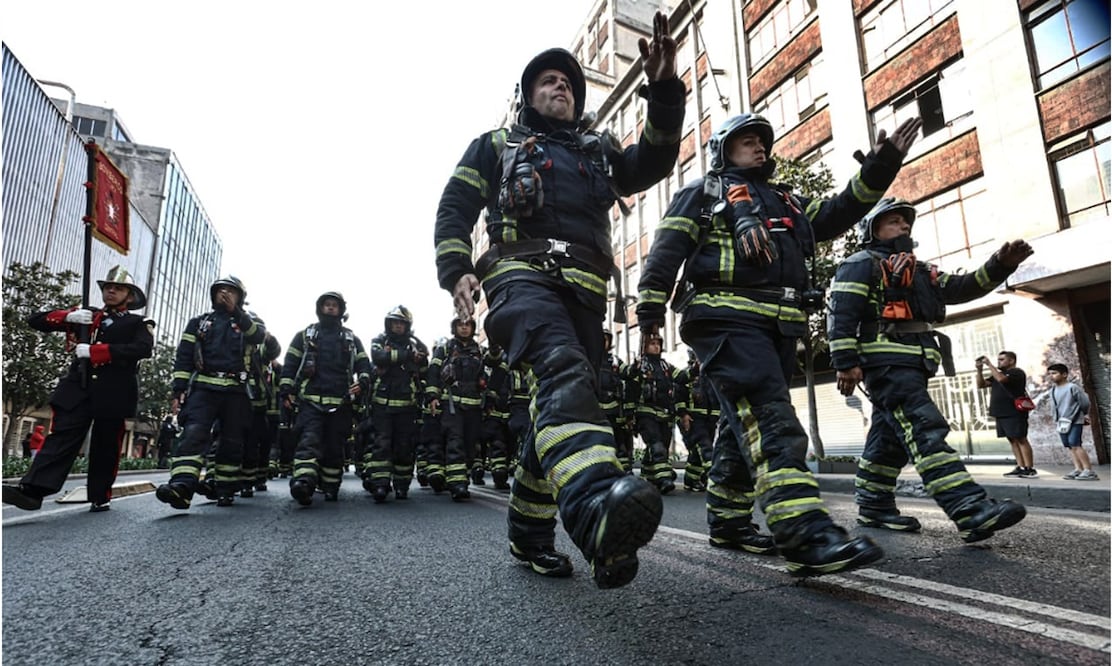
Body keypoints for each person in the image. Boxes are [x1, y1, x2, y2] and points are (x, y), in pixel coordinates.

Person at [433, 11, 683, 588]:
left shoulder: (598, 149)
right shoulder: (495, 144)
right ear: (527, 97)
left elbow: (654, 161)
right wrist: (456, 271)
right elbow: (454, 208)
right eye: (548, 81)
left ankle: (528, 532)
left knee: (562, 403)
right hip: (521, 280)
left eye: (568, 82)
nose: (561, 86)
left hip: (587, 293)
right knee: (564, 373)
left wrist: (666, 90)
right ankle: (595, 512)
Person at [637, 112, 923, 576]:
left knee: (739, 427)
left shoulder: (787, 200)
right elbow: (665, 252)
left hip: (779, 325)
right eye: (747, 141)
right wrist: (649, 312)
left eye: (762, 142)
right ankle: (804, 532)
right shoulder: (703, 194)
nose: (759, 148)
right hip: (724, 319)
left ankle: (729, 522)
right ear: (723, 151)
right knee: (773, 419)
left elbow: (837, 213)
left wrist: (882, 164)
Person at [828, 197, 1032, 541]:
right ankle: (969, 508)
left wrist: (1000, 265)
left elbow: (964, 287)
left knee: (888, 439)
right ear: (872, 230)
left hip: (915, 363)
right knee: (925, 428)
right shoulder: (859, 264)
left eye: (906, 222)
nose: (904, 226)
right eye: (894, 221)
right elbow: (842, 315)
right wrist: (845, 363)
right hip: (885, 364)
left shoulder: (923, 271)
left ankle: (874, 505)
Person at [3, 267, 154, 513]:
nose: (111, 291)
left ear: (130, 296)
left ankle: (100, 494)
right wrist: (67, 317)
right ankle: (33, 490)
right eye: (107, 287)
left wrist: (96, 352)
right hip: (80, 387)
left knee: (106, 446)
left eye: (118, 288)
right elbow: (36, 320)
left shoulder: (138, 323)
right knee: (61, 436)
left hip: (114, 390)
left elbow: (142, 349)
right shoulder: (88, 316)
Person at [156, 276, 266, 510]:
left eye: (230, 291)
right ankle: (181, 487)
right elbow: (184, 357)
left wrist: (236, 312)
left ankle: (224, 489)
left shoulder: (249, 321)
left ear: (240, 297)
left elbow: (258, 336)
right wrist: (178, 390)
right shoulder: (199, 323)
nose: (224, 294)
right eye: (220, 291)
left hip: (237, 390)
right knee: (193, 434)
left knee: (231, 440)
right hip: (204, 389)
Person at [279, 292, 372, 505]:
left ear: (341, 310)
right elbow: (291, 364)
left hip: (340, 402)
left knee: (334, 446)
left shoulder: (351, 338)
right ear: (319, 308)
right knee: (308, 441)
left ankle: (331, 485)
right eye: (326, 305)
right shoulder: (305, 336)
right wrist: (286, 390)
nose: (330, 308)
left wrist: (364, 381)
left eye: (334, 305)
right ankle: (303, 482)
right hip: (310, 401)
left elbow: (363, 364)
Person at [364, 305, 428, 502]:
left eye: (401, 323)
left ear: (407, 325)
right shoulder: (379, 340)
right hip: (382, 404)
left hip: (407, 405)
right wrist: (407, 357)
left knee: (404, 446)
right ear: (388, 324)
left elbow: (424, 366)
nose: (397, 326)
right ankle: (381, 485)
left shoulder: (416, 344)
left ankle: (402, 485)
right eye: (394, 322)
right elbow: (379, 357)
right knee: (381, 444)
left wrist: (399, 357)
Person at [426, 317, 486, 500]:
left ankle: (460, 476)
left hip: (474, 406)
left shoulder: (480, 351)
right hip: (451, 404)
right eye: (461, 325)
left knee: (470, 443)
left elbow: (489, 373)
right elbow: (433, 373)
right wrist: (433, 397)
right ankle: (458, 484)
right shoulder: (445, 348)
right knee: (455, 440)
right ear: (455, 328)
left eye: (468, 325)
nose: (465, 328)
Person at [627, 331, 679, 494]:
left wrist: (697, 367)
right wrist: (629, 416)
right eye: (652, 344)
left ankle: (650, 474)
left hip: (664, 413)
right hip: (645, 412)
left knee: (662, 445)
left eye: (658, 344)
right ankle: (664, 479)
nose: (656, 347)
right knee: (656, 444)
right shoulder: (639, 366)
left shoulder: (665, 366)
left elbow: (682, 377)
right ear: (645, 346)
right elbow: (631, 390)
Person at [976, 352, 1037, 478]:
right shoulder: (997, 374)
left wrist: (989, 364)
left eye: (1002, 359)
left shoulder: (1016, 372)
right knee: (1012, 440)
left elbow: (1001, 379)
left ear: (1011, 361)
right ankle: (1020, 466)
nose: (999, 362)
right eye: (998, 360)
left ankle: (1029, 468)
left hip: (1014, 412)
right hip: (1001, 412)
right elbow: (981, 385)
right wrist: (980, 370)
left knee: (1021, 438)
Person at [675, 348, 717, 492]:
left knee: (696, 453)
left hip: (710, 418)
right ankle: (715, 478)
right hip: (694, 419)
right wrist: (683, 415)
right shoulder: (687, 375)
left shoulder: (711, 374)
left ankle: (691, 480)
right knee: (705, 447)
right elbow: (678, 395)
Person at [1048, 363, 1098, 480]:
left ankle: (1088, 470)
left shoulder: (1072, 387)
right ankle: (1078, 469)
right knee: (1070, 446)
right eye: (1049, 374)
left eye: (1054, 373)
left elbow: (1084, 402)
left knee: (1075, 444)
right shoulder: (1053, 390)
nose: (1051, 376)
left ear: (1064, 374)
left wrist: (1081, 415)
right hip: (1062, 422)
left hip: (1074, 420)